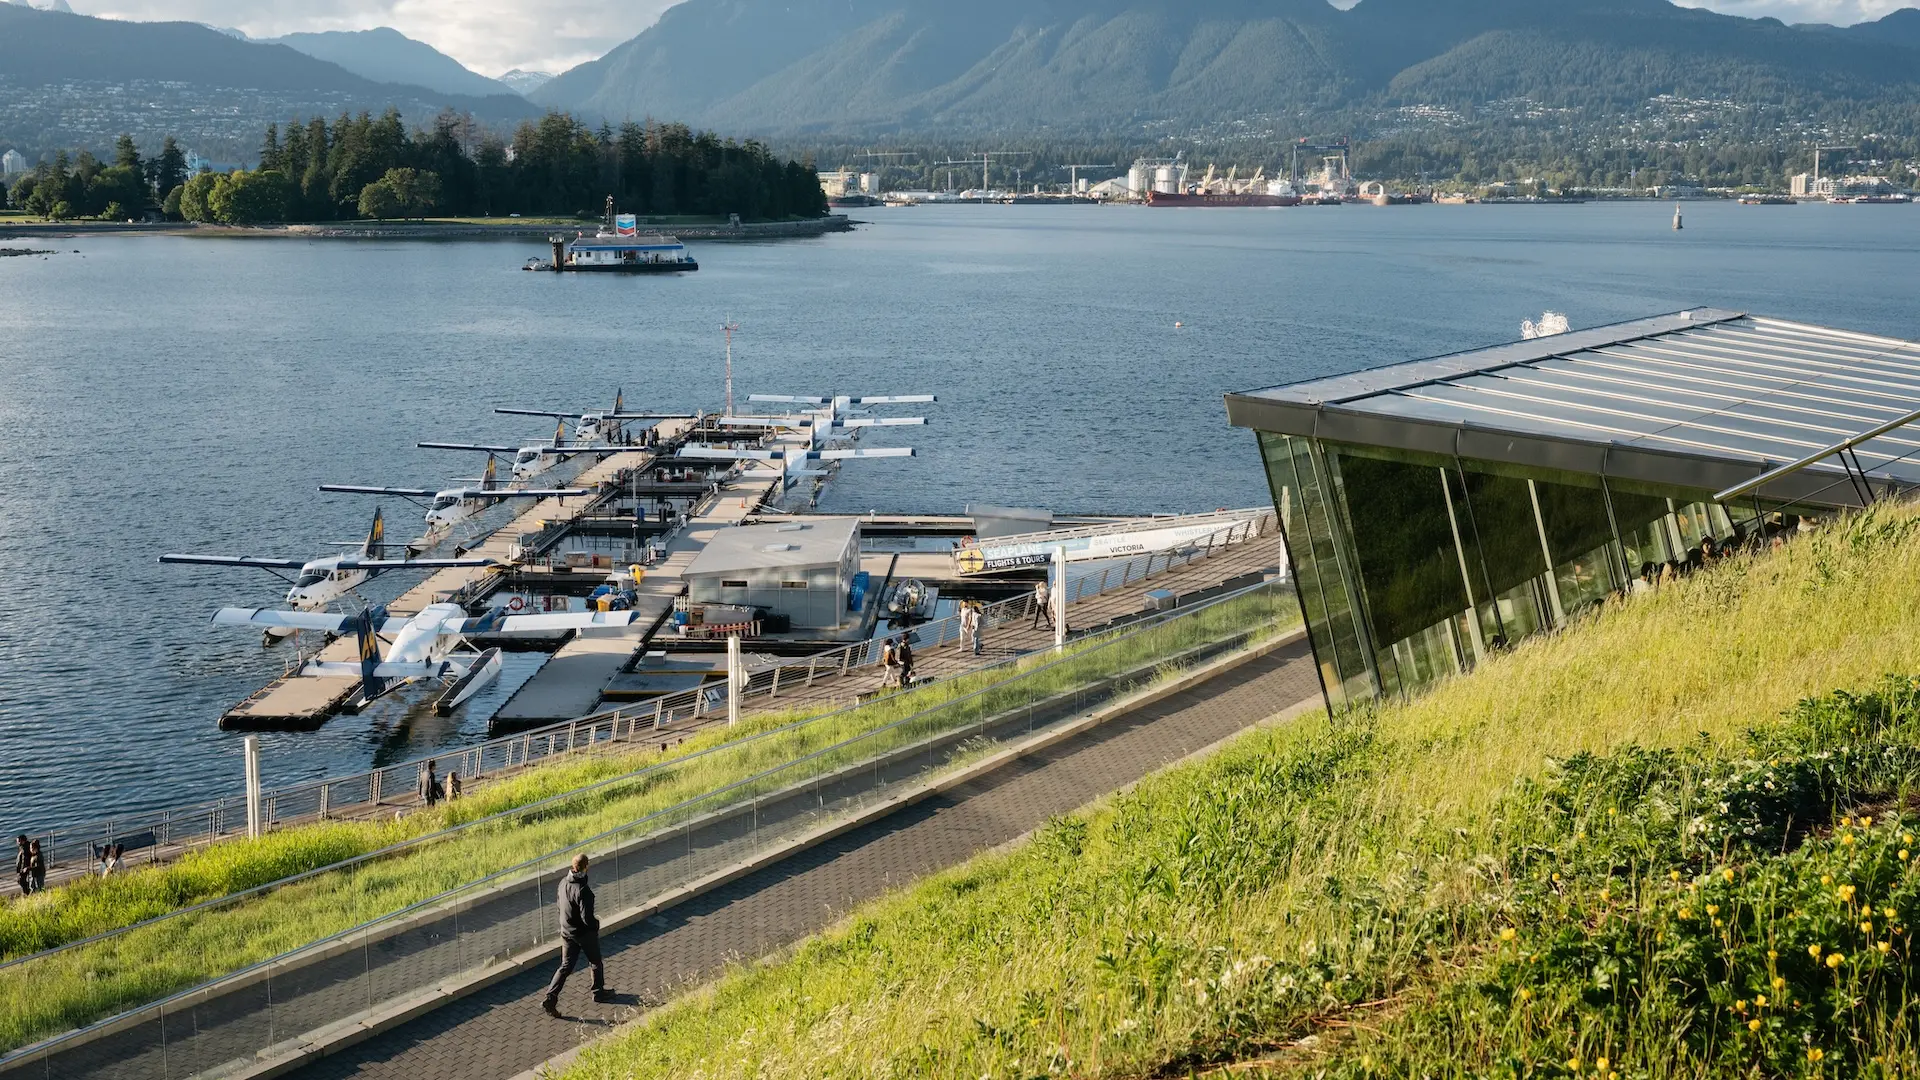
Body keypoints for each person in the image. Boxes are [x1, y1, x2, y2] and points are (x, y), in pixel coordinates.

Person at [542, 853, 611, 1016]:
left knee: (565, 966)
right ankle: (598, 992)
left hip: (567, 932)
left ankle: (550, 998)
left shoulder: (563, 883)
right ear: (586, 867)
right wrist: (596, 925)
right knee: (595, 961)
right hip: (583, 934)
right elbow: (587, 918)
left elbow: (559, 907)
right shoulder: (583, 890)